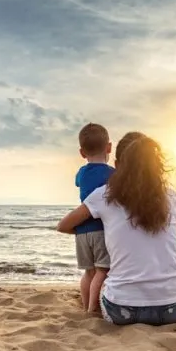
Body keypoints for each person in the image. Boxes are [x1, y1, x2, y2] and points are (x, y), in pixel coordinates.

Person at [57, 132, 176, 325]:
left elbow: (63, 225)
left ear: (117, 166)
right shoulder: (170, 196)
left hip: (123, 310)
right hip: (173, 308)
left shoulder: (104, 195)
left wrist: (107, 231)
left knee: (104, 280)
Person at [73, 123, 115, 313]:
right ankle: (92, 309)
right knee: (102, 271)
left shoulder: (81, 173)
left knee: (88, 272)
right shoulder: (112, 174)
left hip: (81, 230)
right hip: (100, 228)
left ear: (82, 153)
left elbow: (77, 183)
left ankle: (85, 304)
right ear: (109, 148)